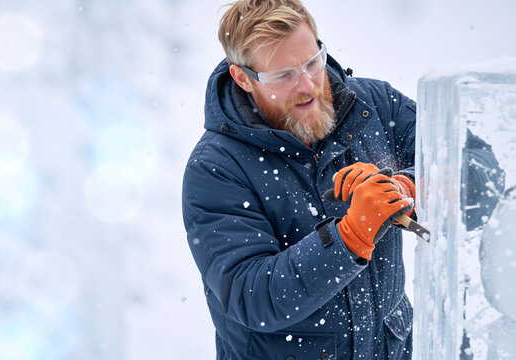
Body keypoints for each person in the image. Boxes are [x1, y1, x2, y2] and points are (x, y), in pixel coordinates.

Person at [181, 0, 503, 359]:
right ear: (243, 78)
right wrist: (350, 236)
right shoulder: (215, 168)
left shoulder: (376, 106)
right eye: (284, 75)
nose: (308, 86)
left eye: (312, 62)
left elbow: (481, 167)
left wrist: (405, 188)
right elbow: (252, 296)